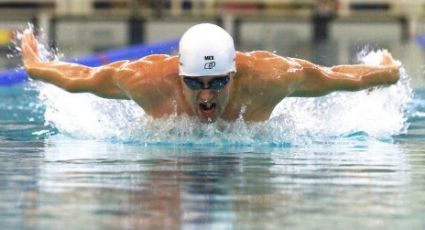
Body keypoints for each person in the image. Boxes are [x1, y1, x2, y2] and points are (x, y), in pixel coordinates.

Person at [21, 23, 400, 123]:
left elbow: (337, 77)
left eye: (218, 81)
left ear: (235, 74)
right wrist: (38, 67)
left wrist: (384, 73)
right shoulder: (148, 81)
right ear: (178, 76)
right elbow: (80, 79)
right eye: (195, 84)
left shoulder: (270, 77)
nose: (207, 95)